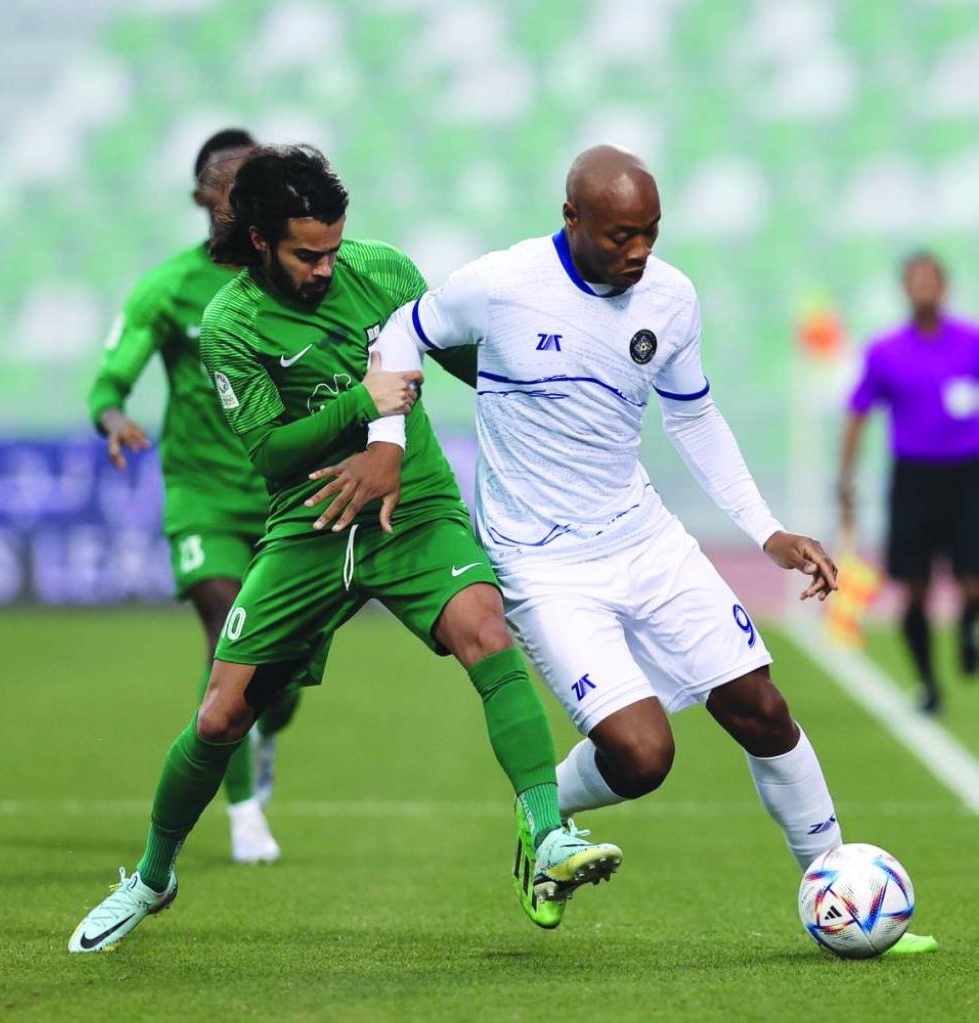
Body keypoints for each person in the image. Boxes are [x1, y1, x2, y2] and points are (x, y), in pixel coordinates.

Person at [320, 144, 935, 952]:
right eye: (619, 236)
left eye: (649, 232)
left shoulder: (671, 298)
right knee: (644, 757)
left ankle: (836, 886)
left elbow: (692, 417)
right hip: (542, 565)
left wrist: (768, 530)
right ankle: (548, 815)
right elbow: (404, 330)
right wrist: (388, 437)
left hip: (645, 539)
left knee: (762, 706)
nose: (638, 250)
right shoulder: (502, 285)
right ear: (571, 218)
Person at [67, 144, 621, 954]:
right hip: (310, 520)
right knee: (222, 714)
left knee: (485, 631)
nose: (327, 267)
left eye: (333, 247)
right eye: (306, 253)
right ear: (258, 239)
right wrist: (360, 404)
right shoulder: (229, 323)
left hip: (414, 505)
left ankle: (548, 836)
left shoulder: (385, 271)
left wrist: (559, 385)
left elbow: (467, 360)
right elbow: (271, 453)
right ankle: (152, 876)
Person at [88, 128, 298, 865]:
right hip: (202, 493)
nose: (241, 199)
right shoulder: (169, 286)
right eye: (229, 186)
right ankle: (245, 816)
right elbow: (112, 381)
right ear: (204, 197)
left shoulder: (293, 275)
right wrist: (115, 419)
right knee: (230, 637)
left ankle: (267, 729)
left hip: (286, 497)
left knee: (284, 675)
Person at [839, 253, 979, 714]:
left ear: (944, 287)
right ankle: (927, 682)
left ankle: (966, 629)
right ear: (905, 289)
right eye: (915, 281)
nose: (924, 288)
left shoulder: (971, 342)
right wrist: (846, 476)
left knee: (971, 578)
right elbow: (859, 410)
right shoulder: (886, 351)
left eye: (931, 280)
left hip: (968, 475)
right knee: (914, 586)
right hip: (914, 478)